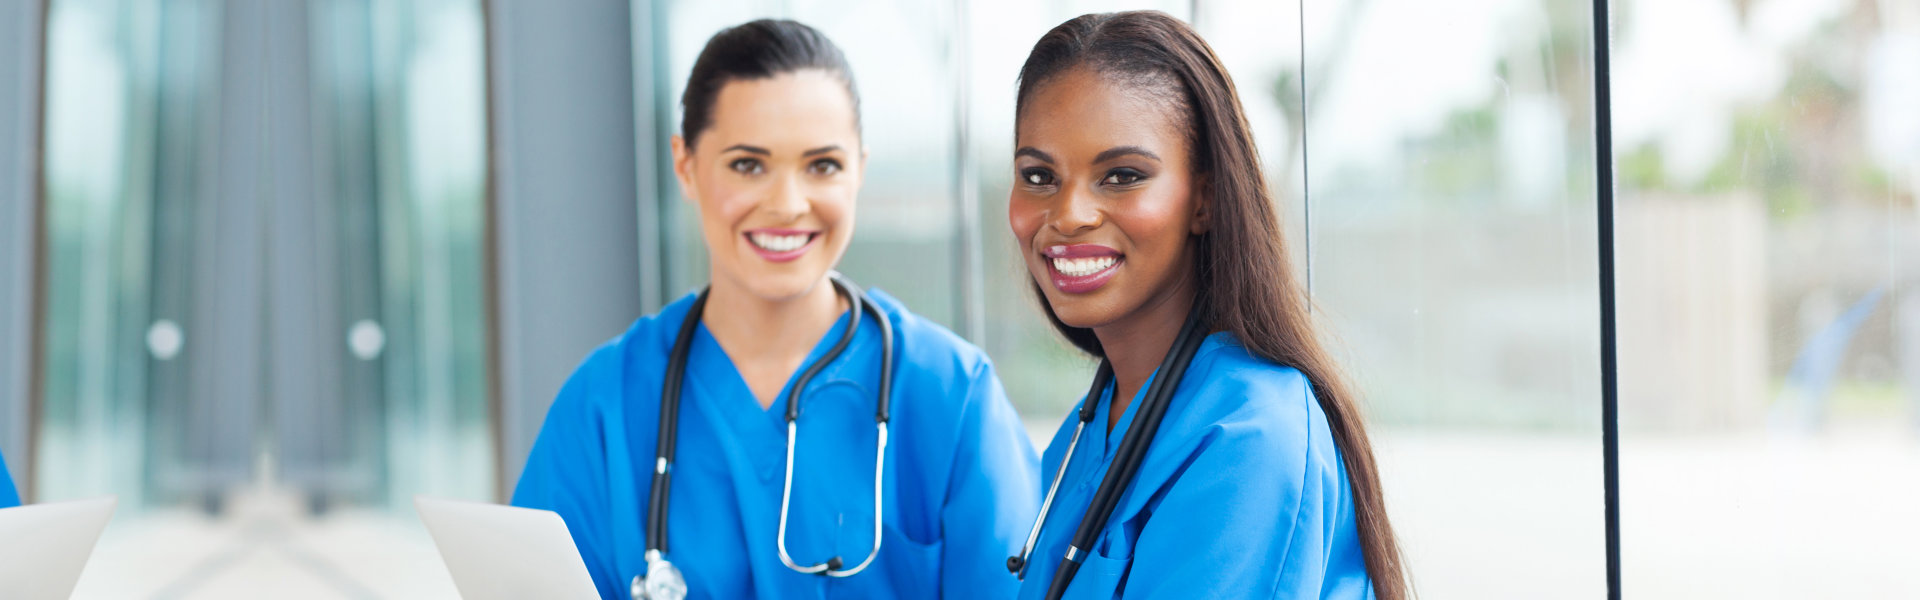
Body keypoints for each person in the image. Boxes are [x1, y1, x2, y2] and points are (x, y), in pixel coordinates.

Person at [512, 19, 1039, 600]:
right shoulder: (603, 406)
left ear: (859, 168)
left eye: (822, 165)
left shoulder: (950, 397)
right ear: (685, 164)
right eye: (747, 164)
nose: (788, 204)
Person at [1004, 11, 1408, 599]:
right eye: (1039, 176)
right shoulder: (1088, 428)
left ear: (1206, 199)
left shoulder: (1251, 440)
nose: (1067, 215)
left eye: (1121, 175)